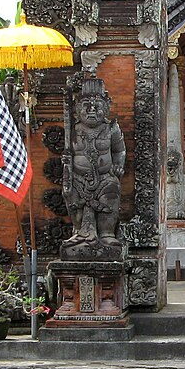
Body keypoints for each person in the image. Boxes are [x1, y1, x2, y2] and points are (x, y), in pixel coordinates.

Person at [61, 76, 126, 256]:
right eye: (86, 106)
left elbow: (119, 151)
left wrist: (119, 166)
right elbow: (69, 153)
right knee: (70, 195)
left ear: (105, 108)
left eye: (97, 106)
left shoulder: (111, 128)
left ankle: (106, 233)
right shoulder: (72, 130)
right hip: (78, 178)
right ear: (77, 109)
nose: (91, 110)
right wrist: (66, 161)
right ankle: (78, 230)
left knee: (111, 193)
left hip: (105, 178)